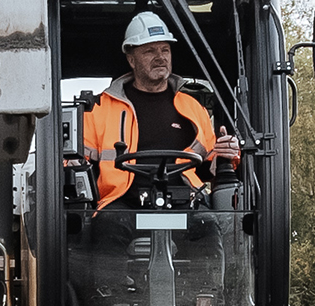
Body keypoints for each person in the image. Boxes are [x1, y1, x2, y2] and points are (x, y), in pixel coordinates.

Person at [76, 13, 234, 213]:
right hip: (119, 206)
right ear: (132, 60)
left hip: (185, 203)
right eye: (150, 51)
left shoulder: (193, 108)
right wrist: (71, 162)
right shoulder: (98, 108)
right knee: (104, 233)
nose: (160, 57)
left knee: (209, 232)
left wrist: (226, 154)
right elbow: (76, 163)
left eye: (165, 50)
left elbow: (209, 168)